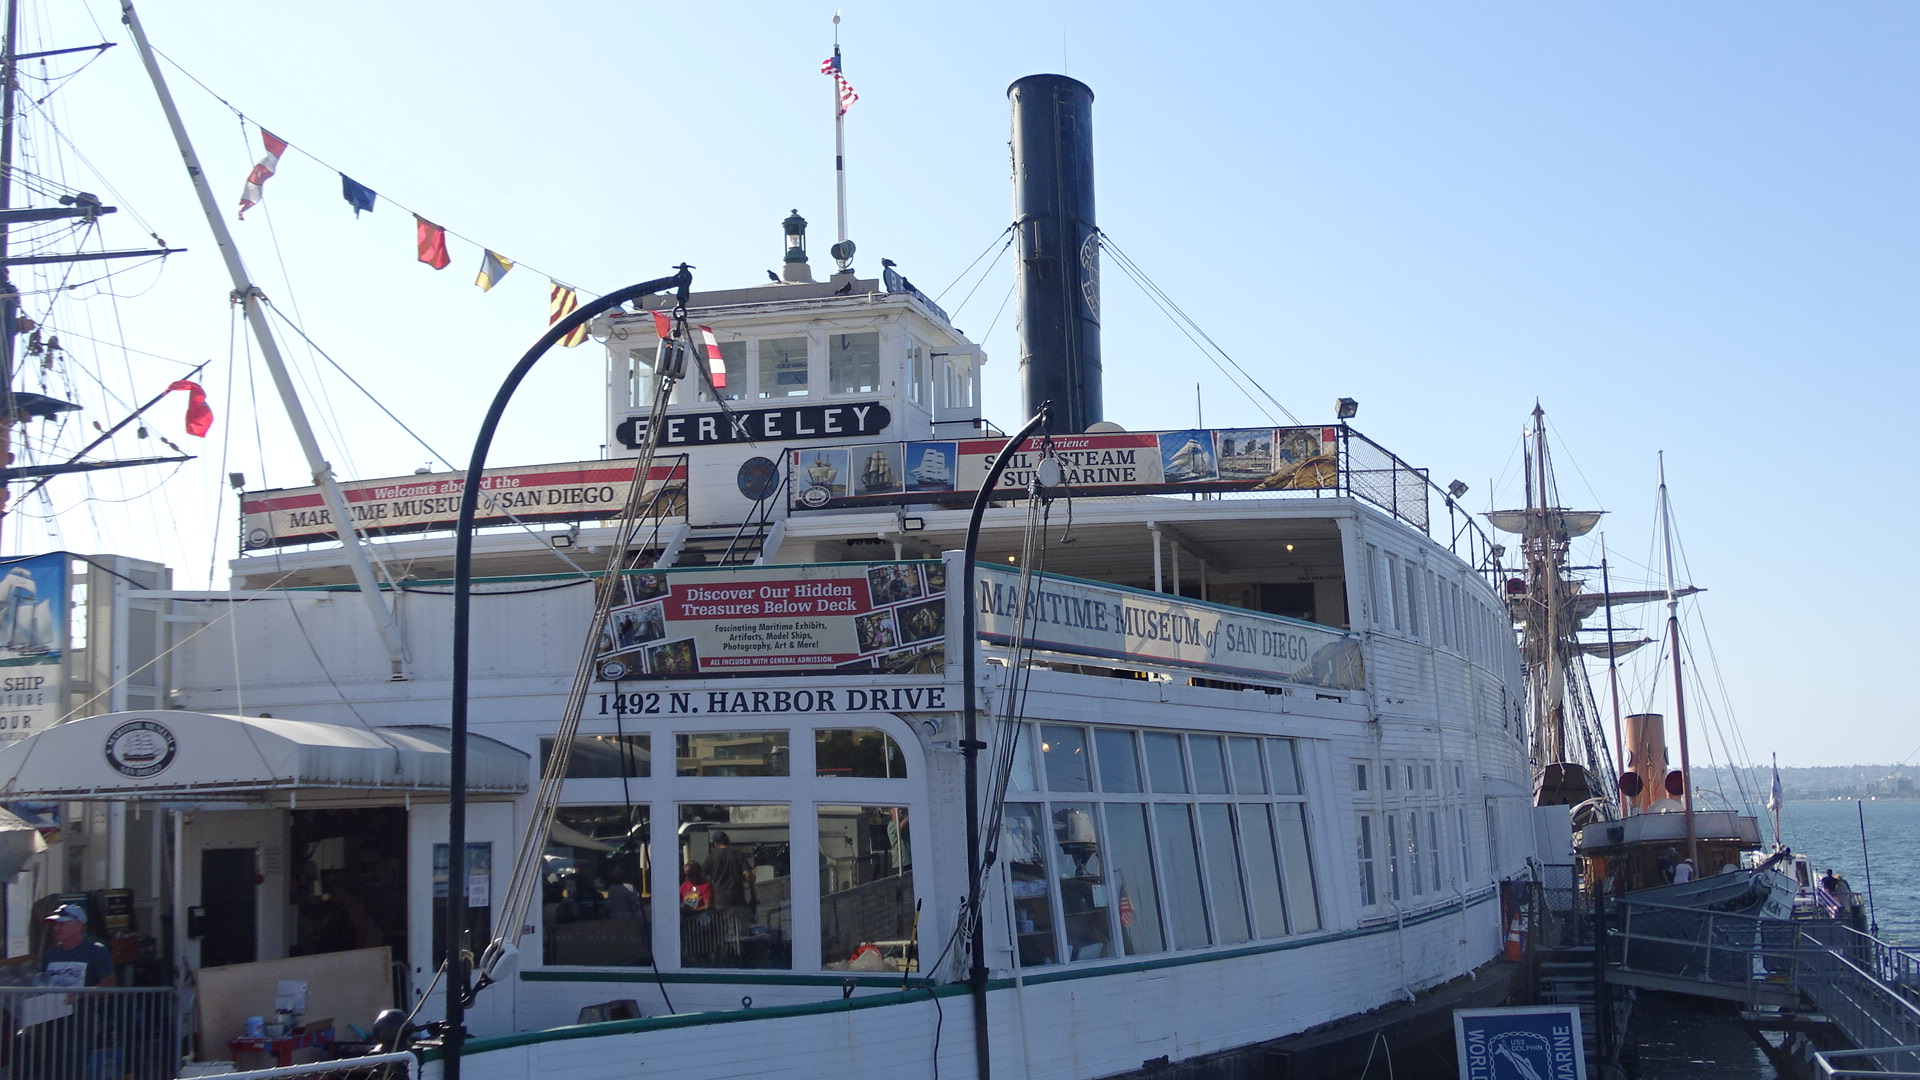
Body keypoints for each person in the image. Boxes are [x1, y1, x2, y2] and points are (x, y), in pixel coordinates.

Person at [703, 832, 755, 965]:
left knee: (721, 933)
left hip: (719, 901)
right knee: (741, 933)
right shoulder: (737, 854)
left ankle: (724, 961)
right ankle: (741, 961)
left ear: (715, 843)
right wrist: (753, 895)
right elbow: (748, 875)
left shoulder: (711, 857)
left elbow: (703, 877)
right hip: (737, 899)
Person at [41, 903, 115, 988]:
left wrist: (81, 995)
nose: (55, 928)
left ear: (79, 925)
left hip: (84, 1001)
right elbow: (42, 983)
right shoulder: (51, 954)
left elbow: (109, 985)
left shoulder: (97, 951)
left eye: (61, 923)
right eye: (54, 924)